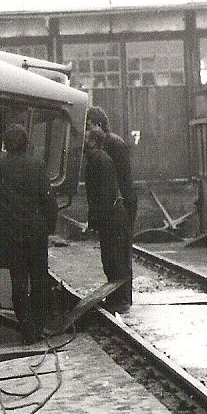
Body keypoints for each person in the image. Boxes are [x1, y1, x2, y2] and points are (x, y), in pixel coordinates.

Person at [0, 123, 56, 343]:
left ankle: (26, 328)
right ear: (26, 144)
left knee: (18, 282)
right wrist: (48, 228)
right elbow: (49, 202)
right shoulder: (37, 166)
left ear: (6, 144)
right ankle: (39, 326)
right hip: (36, 232)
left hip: (12, 233)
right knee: (39, 279)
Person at [86, 106, 135, 307]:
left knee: (120, 254)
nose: (86, 131)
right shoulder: (104, 147)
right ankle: (117, 296)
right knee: (114, 255)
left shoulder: (113, 145)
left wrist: (121, 208)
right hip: (115, 205)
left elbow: (124, 179)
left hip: (120, 204)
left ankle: (122, 298)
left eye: (88, 126)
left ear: (98, 125)